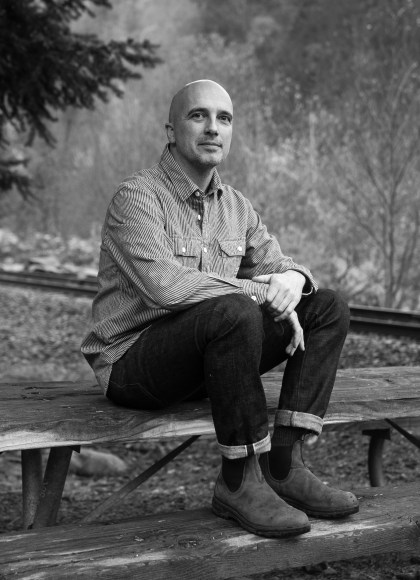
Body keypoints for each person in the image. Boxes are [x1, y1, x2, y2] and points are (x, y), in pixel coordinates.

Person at [81, 79, 358, 538]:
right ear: (172, 131)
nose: (213, 128)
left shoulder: (236, 208)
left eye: (224, 119)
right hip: (133, 364)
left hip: (208, 359)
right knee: (235, 309)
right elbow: (166, 288)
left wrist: (293, 280)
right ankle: (238, 480)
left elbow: (278, 265)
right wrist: (257, 292)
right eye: (199, 116)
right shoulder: (137, 197)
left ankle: (284, 465)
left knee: (326, 306)